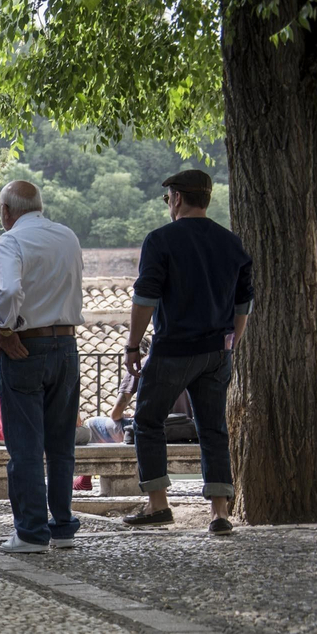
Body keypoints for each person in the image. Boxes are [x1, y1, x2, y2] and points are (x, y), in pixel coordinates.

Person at [121, 170, 253, 535]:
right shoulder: (232, 244)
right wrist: (230, 345)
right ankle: (219, 512)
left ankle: (158, 504)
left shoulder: (161, 240)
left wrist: (133, 345)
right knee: (213, 428)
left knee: (147, 421)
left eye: (168, 199)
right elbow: (244, 305)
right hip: (216, 350)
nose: (168, 205)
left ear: (177, 198)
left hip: (172, 349)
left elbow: (145, 297)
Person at [0, 180, 85, 552]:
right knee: (62, 442)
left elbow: (9, 291)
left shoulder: (10, 241)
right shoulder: (67, 236)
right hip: (67, 343)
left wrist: (5, 328)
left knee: (26, 443)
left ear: (8, 211)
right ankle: (62, 525)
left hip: (28, 344)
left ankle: (30, 530)